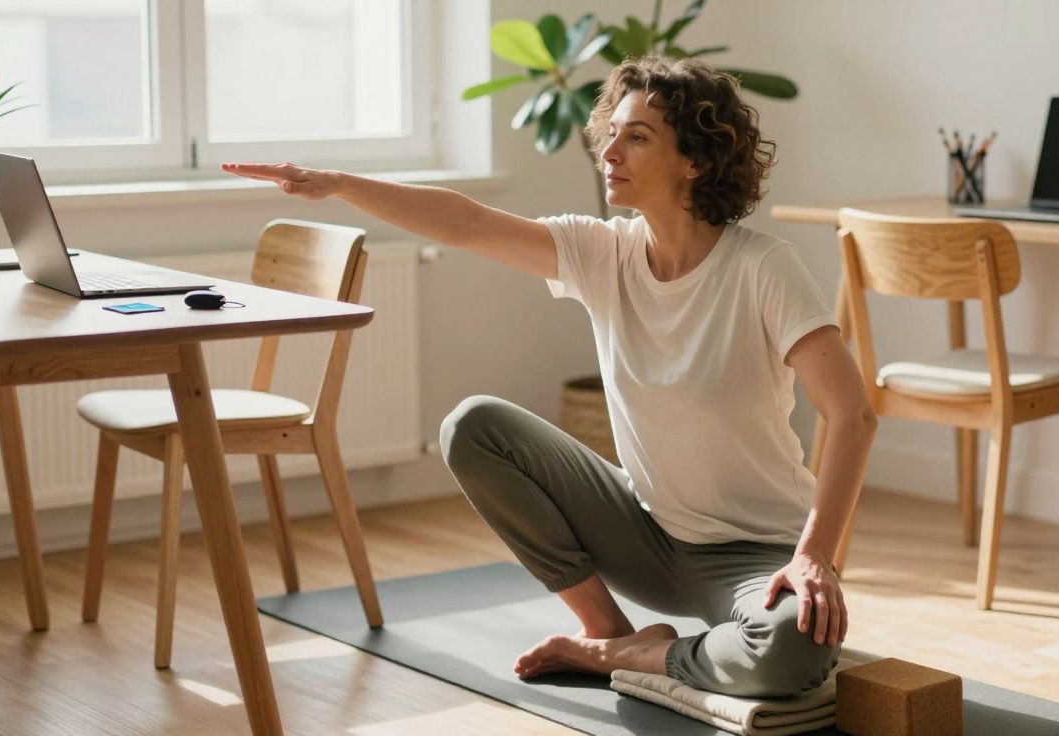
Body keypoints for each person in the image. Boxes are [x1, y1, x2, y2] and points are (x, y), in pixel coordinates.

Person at [222, 56, 877, 698]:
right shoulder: (604, 253)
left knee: (793, 650)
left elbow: (853, 414)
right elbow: (466, 223)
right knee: (473, 427)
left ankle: (633, 655)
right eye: (611, 133)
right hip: (646, 535)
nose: (609, 152)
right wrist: (339, 184)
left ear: (695, 161)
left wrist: (813, 555)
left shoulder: (763, 268)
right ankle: (606, 630)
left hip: (755, 556)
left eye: (637, 137)